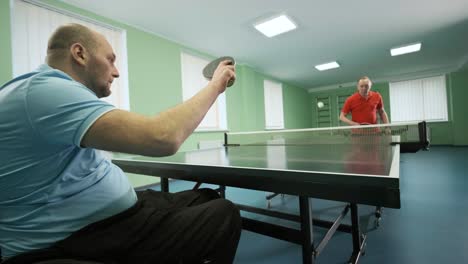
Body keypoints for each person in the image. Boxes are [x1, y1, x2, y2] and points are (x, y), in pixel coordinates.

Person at [0, 23, 241, 264]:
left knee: (207, 196)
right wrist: (216, 84)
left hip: (107, 217)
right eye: (110, 60)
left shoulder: (38, 90)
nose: (116, 72)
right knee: (224, 213)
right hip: (79, 237)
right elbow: (163, 137)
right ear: (79, 53)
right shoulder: (45, 91)